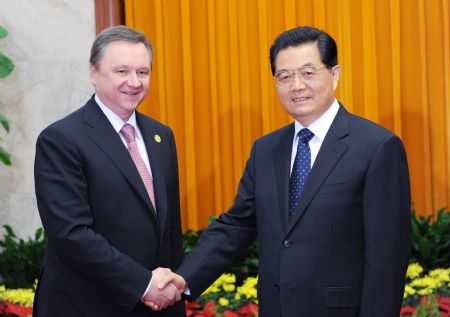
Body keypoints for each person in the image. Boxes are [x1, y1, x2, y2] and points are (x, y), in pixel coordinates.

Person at [156, 26, 411, 316]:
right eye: (284, 76)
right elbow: (236, 225)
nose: (297, 85)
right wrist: (184, 278)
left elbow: (386, 260)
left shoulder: (377, 147)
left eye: (308, 72)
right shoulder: (265, 150)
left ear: (335, 74)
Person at [33, 25, 186, 316]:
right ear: (93, 73)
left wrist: (171, 290)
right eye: (122, 71)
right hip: (86, 304)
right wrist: (143, 284)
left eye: (143, 72)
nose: (134, 81)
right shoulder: (62, 139)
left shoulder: (161, 136)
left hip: (155, 305)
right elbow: (71, 234)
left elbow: (169, 231)